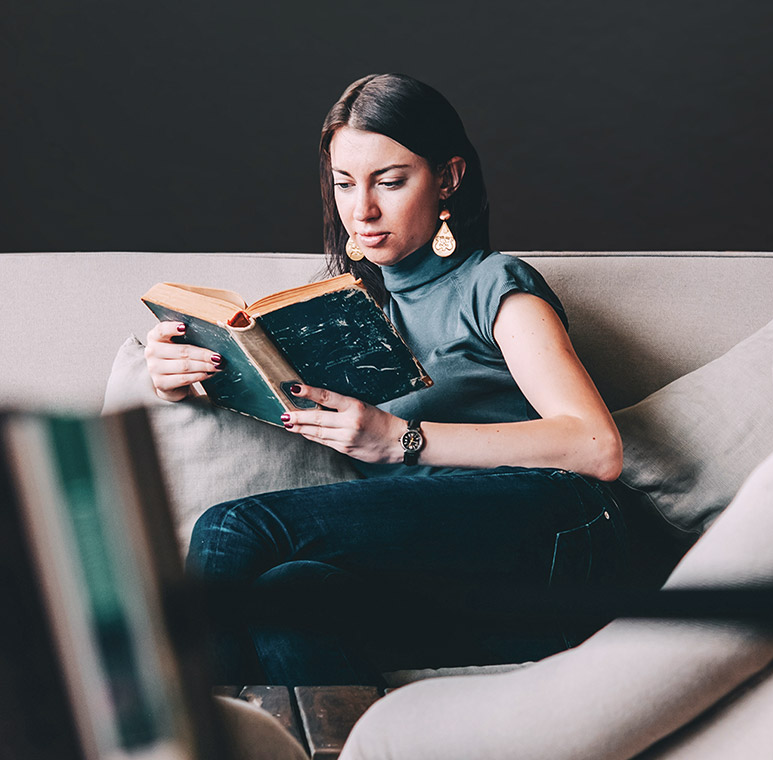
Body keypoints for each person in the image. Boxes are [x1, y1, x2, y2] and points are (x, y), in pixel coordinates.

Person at [143, 73, 631, 685]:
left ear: (449, 177)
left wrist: (401, 437)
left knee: (233, 527)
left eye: (390, 181)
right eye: (344, 184)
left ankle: (176, 753)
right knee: (291, 596)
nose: (363, 209)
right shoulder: (341, 316)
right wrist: (183, 371)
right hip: (451, 570)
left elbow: (597, 446)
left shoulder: (494, 285)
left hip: (558, 530)